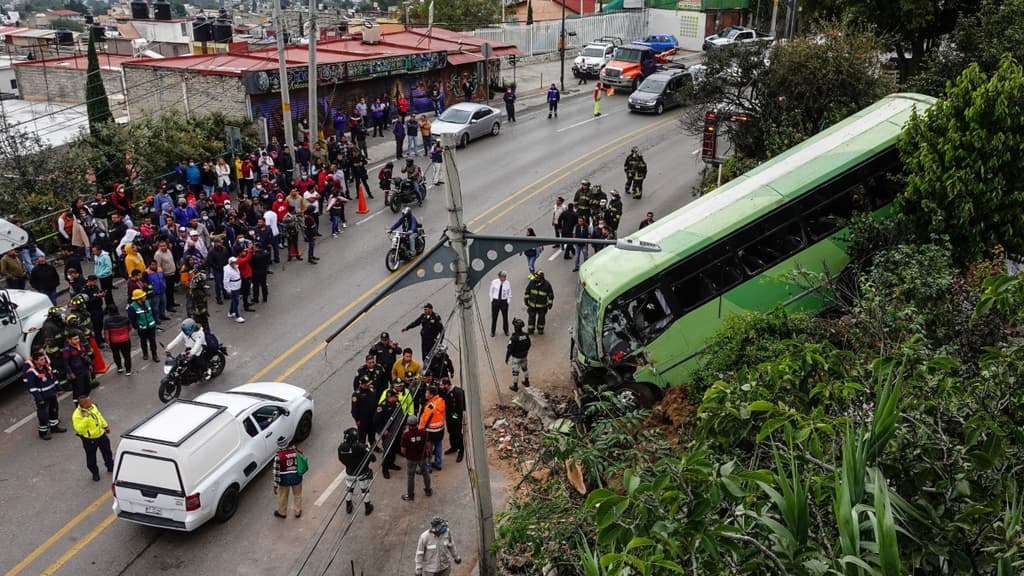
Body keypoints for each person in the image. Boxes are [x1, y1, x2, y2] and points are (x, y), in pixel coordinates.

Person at [23, 350, 67, 440]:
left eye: (43, 359)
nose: (44, 361)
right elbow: (33, 388)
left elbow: (54, 379)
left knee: (54, 411)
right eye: (41, 360)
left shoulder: (47, 369)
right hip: (42, 397)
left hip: (51, 394)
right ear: (35, 361)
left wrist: (59, 389)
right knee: (43, 415)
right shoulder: (31, 373)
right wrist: (39, 399)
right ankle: (43, 432)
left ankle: (54, 427)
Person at [71, 396, 114, 481]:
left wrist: (105, 426)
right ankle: (95, 473)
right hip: (90, 440)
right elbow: (78, 429)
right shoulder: (77, 415)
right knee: (91, 459)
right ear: (82, 404)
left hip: (101, 435)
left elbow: (99, 417)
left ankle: (110, 466)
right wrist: (86, 418)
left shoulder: (93, 407)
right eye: (88, 402)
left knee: (107, 452)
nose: (91, 403)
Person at [337, 427, 375, 515]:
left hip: (350, 472)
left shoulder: (341, 448)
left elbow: (340, 459)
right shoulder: (361, 447)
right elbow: (372, 458)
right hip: (362, 472)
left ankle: (348, 506)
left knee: (349, 489)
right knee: (364, 490)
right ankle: (367, 507)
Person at [374, 388, 406, 479]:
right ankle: (385, 469)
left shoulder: (396, 403)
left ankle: (392, 464)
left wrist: (403, 425)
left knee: (395, 448)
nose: (397, 397)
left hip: (396, 430)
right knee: (388, 451)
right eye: (395, 396)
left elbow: (401, 414)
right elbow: (376, 421)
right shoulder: (382, 407)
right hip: (387, 433)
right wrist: (383, 430)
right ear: (390, 397)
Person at [272, 437, 306, 519]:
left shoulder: (278, 457)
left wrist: (275, 486)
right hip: (297, 478)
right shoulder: (296, 452)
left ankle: (282, 513)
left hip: (284, 480)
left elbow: (276, 473)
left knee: (283, 496)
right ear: (287, 443)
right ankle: (297, 512)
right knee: (297, 495)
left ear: (279, 446)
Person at [400, 415, 432, 501]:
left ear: (408, 424)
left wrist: (407, 455)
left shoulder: (405, 435)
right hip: (422, 457)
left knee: (411, 476)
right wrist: (428, 454)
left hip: (411, 459)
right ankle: (428, 490)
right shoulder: (423, 433)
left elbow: (403, 450)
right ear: (417, 423)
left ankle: (410, 495)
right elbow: (428, 445)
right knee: (425, 473)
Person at [127, 288, 159, 360]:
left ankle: (154, 355)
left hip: (151, 326)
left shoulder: (148, 303)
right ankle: (145, 353)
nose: (145, 297)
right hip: (142, 328)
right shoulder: (132, 307)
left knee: (152, 341)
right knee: (143, 341)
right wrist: (138, 326)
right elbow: (132, 319)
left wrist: (154, 321)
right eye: (143, 296)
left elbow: (153, 312)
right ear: (139, 298)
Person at [419, 385, 446, 470]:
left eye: (427, 392)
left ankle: (428, 466)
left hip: (431, 431)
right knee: (438, 446)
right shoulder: (441, 401)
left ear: (431, 395)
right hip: (440, 429)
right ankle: (438, 463)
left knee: (428, 449)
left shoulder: (430, 406)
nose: (425, 394)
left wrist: (419, 429)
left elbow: (424, 420)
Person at [102, 305, 132, 375]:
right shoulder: (125, 318)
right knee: (127, 355)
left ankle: (119, 367)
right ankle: (128, 370)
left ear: (109, 312)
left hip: (114, 341)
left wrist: (107, 342)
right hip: (125, 340)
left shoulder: (107, 321)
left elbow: (106, 333)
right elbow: (130, 327)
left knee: (116, 355)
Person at [62, 332, 92, 403]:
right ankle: (79, 405)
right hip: (76, 374)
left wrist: (89, 365)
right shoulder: (67, 350)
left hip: (84, 370)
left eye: (78, 338)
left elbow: (85, 356)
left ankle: (85, 402)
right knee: (79, 391)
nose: (77, 340)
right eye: (75, 339)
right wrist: (70, 373)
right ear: (69, 340)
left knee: (88, 387)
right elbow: (65, 363)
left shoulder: (80, 345)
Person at [351, 373, 379, 445]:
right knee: (362, 437)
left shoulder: (372, 389)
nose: (369, 385)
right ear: (362, 385)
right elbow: (354, 410)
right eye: (367, 384)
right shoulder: (357, 395)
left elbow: (376, 401)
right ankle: (362, 450)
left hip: (372, 417)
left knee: (372, 434)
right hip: (363, 420)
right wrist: (357, 420)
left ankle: (373, 445)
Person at [524, 271, 554, 335]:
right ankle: (530, 330)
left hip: (542, 306)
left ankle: (540, 329)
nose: (536, 279)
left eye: (537, 278)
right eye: (535, 277)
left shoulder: (547, 284)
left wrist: (550, 303)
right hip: (532, 305)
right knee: (531, 318)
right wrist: (526, 299)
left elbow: (550, 294)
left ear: (541, 278)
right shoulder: (532, 282)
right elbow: (527, 291)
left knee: (541, 318)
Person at [506, 317, 532, 391]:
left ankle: (515, 386)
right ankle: (526, 382)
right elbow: (529, 344)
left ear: (516, 328)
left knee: (515, 372)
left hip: (516, 358)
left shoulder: (514, 338)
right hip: (524, 356)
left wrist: (507, 358)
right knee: (525, 369)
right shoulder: (526, 335)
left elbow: (509, 349)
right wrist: (525, 351)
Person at [489, 270, 511, 337]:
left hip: (504, 302)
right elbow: (491, 291)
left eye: (505, 276)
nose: (504, 278)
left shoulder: (507, 283)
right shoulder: (494, 282)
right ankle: (493, 331)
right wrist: (492, 300)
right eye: (503, 276)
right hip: (496, 301)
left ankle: (506, 330)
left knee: (505, 317)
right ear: (499, 277)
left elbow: (509, 292)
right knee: (494, 317)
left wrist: (508, 301)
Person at [223, 256, 245, 322]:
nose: (236, 263)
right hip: (233, 288)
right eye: (234, 262)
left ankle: (230, 312)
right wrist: (228, 290)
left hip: (237, 286)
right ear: (231, 263)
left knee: (234, 300)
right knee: (236, 301)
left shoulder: (236, 267)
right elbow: (225, 281)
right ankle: (237, 316)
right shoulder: (228, 271)